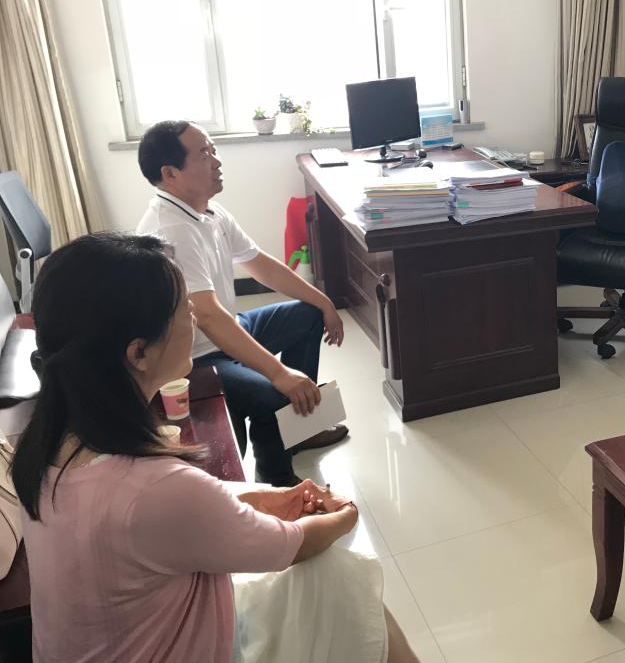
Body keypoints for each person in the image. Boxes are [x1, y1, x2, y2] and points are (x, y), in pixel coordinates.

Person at [11, 232, 419, 663]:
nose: (192, 314)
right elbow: (287, 546)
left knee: (338, 586)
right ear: (139, 353)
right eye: (181, 308)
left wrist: (257, 499)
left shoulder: (42, 448)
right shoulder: (156, 488)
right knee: (342, 576)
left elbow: (159, 520)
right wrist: (346, 514)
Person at [137, 120, 348, 486]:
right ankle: (276, 476)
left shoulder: (208, 210)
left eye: (213, 150)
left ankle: (299, 430)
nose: (217, 161)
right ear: (170, 173)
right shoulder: (171, 230)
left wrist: (324, 301)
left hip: (227, 329)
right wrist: (279, 373)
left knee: (308, 314)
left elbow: (259, 264)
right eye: (204, 154)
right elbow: (206, 316)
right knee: (276, 392)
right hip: (196, 355)